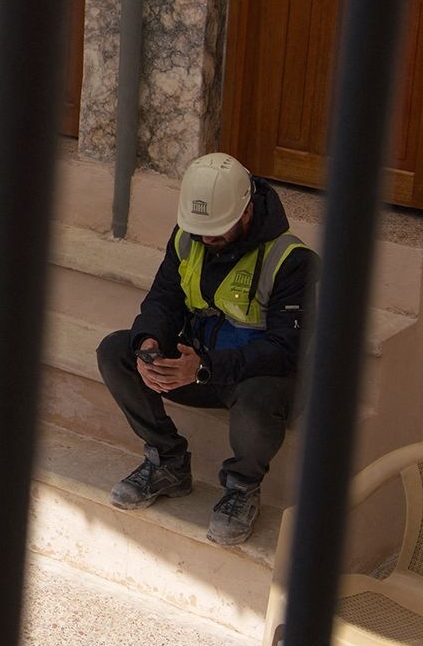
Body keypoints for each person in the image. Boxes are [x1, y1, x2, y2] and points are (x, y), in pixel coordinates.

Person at [99, 151, 316, 547]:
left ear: (248, 212)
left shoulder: (291, 261)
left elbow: (286, 350)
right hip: (197, 363)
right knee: (116, 351)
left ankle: (242, 488)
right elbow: (163, 301)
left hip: (253, 379)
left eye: (217, 228)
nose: (206, 238)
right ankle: (168, 463)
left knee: (260, 396)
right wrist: (149, 344)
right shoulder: (188, 237)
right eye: (200, 229)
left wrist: (204, 367)